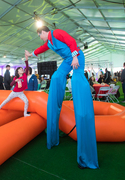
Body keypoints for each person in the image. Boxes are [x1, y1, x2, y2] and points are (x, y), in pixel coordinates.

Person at [25, 26, 99, 169]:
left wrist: (75, 56)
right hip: (67, 61)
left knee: (76, 79)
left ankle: (86, 157)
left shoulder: (57, 33)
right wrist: (30, 53)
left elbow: (71, 42)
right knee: (57, 76)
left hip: (76, 56)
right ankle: (53, 138)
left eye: (39, 35)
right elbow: (40, 49)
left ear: (44, 32)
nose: (39, 37)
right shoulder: (49, 43)